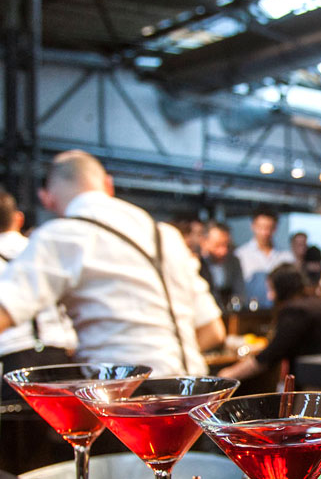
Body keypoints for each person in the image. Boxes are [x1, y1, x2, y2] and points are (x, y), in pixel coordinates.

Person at [0, 150, 225, 376]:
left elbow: (4, 312)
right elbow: (213, 330)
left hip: (124, 400)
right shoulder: (166, 235)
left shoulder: (62, 236)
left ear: (46, 198)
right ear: (109, 185)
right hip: (194, 395)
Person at [218, 263, 321, 382]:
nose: (269, 296)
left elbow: (270, 356)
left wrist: (228, 374)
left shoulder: (296, 311)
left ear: (282, 289)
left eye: (271, 289)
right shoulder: (312, 301)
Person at [0, 187, 78, 401]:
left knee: (20, 434)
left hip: (15, 362)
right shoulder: (43, 249)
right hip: (64, 357)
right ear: (19, 219)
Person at [235, 209, 294, 308]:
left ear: (275, 228)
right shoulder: (241, 255)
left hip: (280, 310)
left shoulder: (286, 257)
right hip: (250, 313)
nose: (265, 232)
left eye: (269, 228)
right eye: (260, 227)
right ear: (253, 226)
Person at [199, 221, 246, 310]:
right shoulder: (197, 264)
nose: (223, 251)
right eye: (217, 245)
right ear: (204, 242)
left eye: (227, 245)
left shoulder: (233, 262)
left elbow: (240, 291)